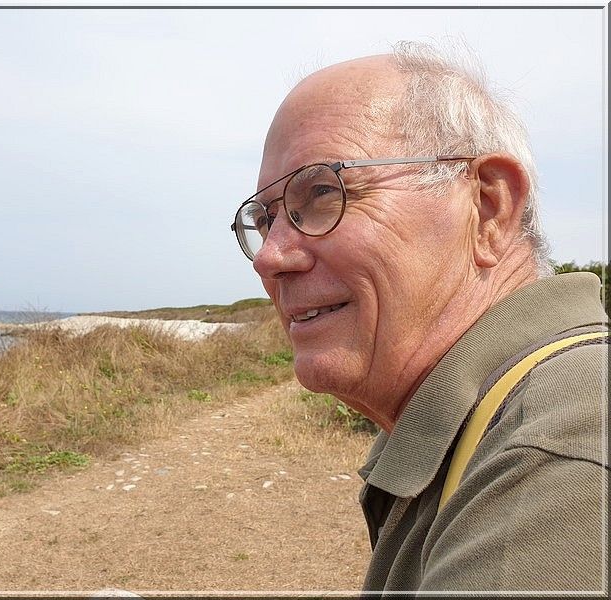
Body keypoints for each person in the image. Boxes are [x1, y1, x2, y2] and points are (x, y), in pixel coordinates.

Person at [230, 41, 608, 593]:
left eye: (323, 193)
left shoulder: (558, 455)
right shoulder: (486, 424)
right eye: (265, 219)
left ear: (489, 209)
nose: (270, 257)